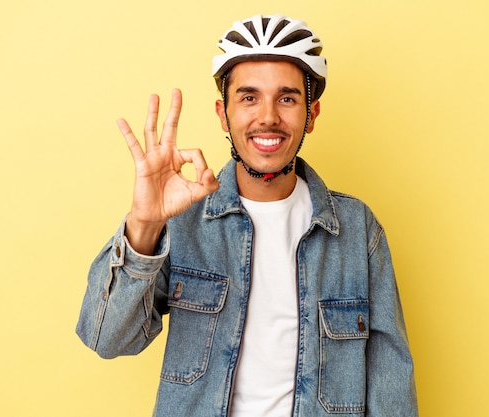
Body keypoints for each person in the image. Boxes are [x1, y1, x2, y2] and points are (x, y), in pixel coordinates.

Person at [76, 14, 418, 417]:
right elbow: (106, 338)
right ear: (223, 114)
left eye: (287, 98)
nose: (268, 116)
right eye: (249, 97)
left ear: (312, 113)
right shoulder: (184, 221)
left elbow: (391, 383)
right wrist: (145, 223)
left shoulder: (357, 230)